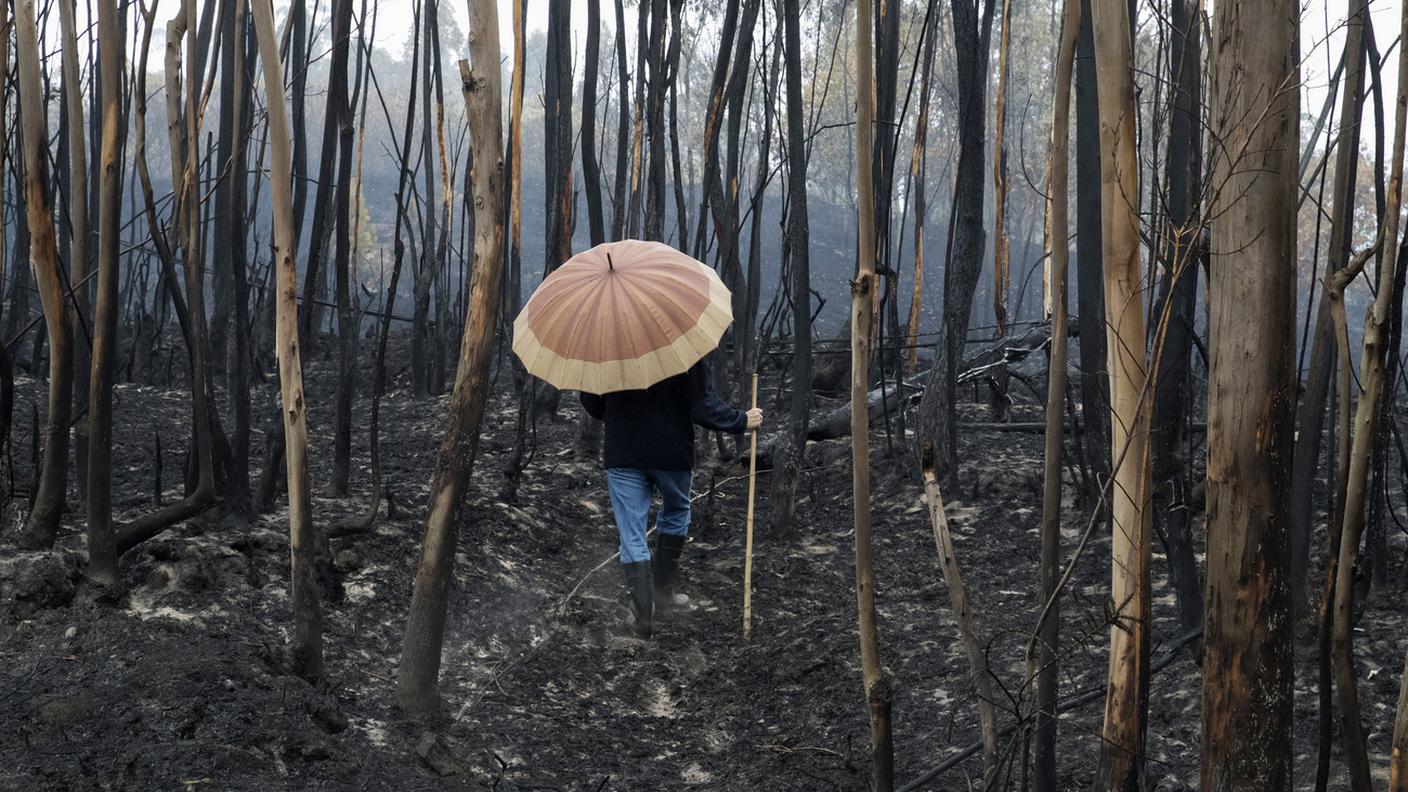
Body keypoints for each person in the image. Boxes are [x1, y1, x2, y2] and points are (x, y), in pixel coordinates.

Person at [580, 358, 763, 638]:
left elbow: (593, 405)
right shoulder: (682, 349)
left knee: (632, 529)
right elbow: (702, 406)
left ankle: (643, 615)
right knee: (676, 512)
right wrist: (741, 420)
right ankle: (663, 595)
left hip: (623, 450)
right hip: (671, 451)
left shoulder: (607, 350)